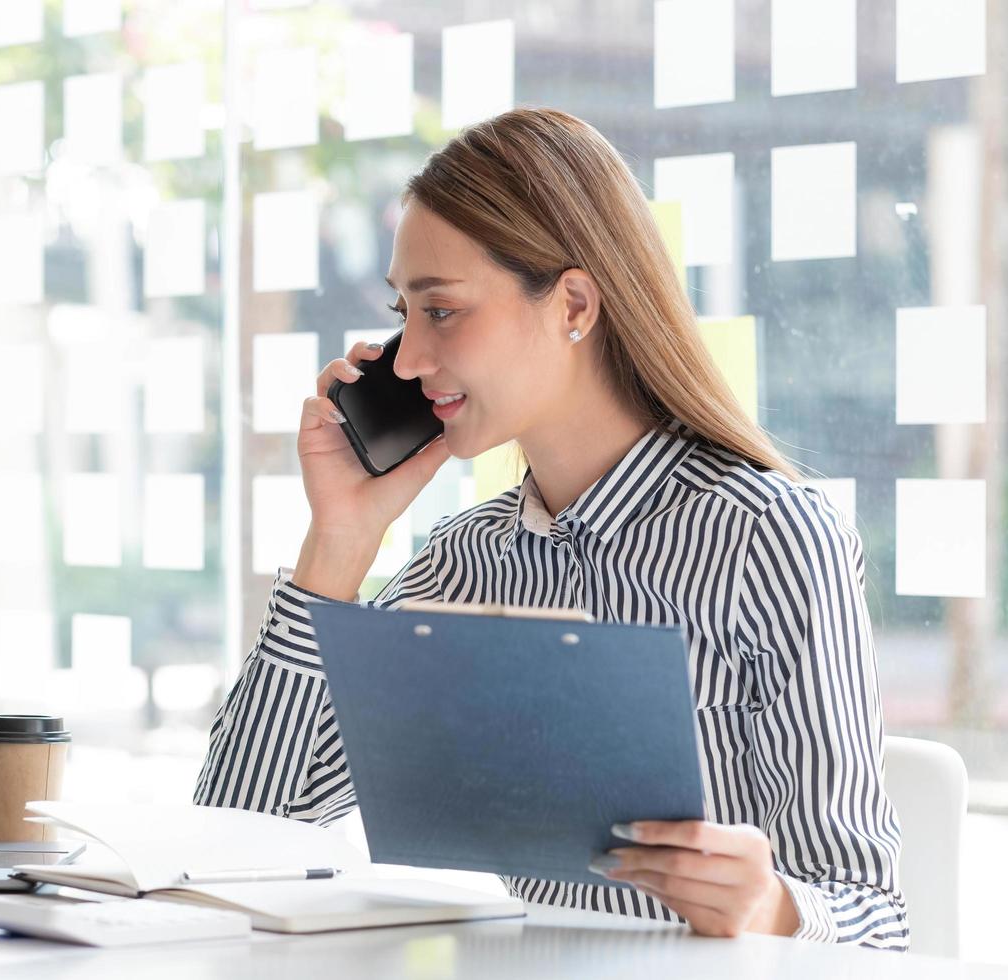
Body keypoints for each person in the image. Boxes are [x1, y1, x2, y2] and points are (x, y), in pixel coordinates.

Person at [193, 108, 907, 950]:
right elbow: (240, 835)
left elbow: (877, 922)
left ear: (572, 302)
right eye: (403, 314)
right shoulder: (466, 562)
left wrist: (772, 909)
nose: (410, 359)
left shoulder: (770, 539)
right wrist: (340, 542)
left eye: (442, 312)